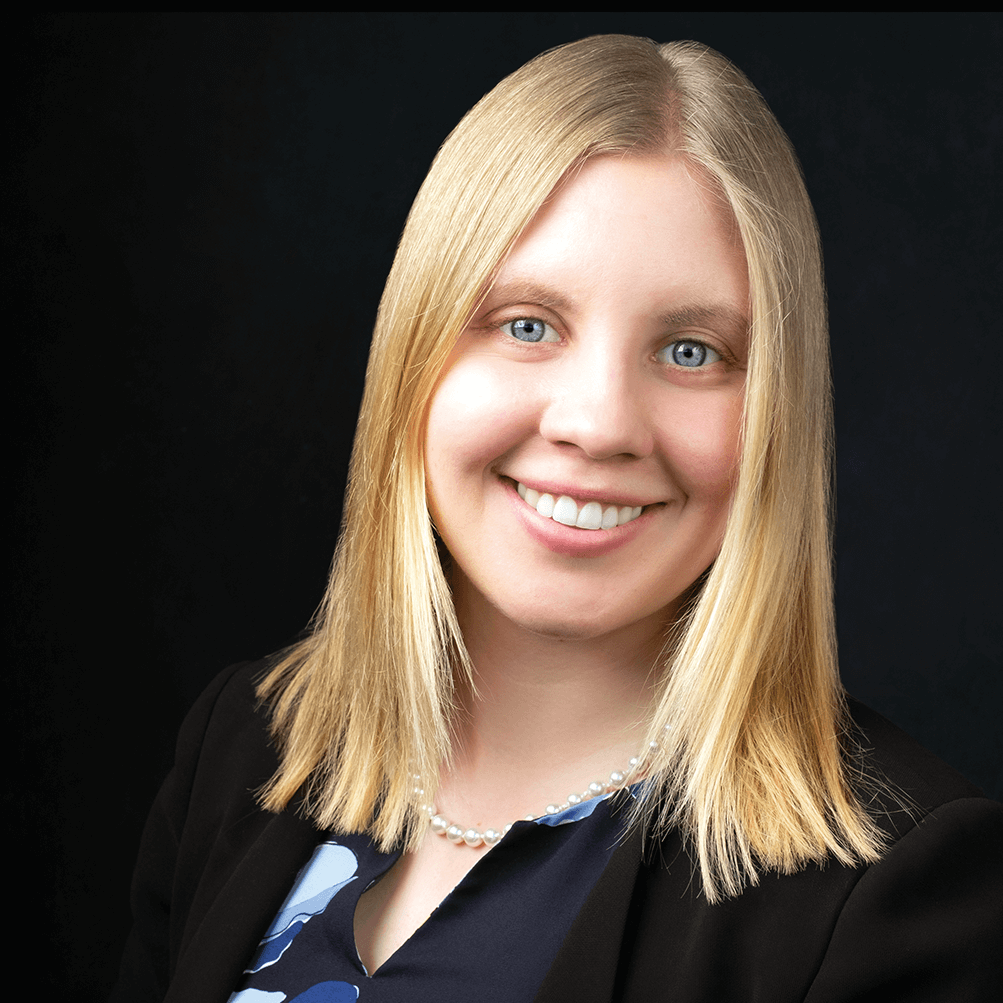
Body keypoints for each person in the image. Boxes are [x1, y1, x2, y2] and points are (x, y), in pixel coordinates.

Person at [111, 34, 1002, 1003]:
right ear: (416, 355)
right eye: (526, 324)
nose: (598, 423)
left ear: (777, 413)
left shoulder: (895, 889)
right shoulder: (248, 747)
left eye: (692, 350)